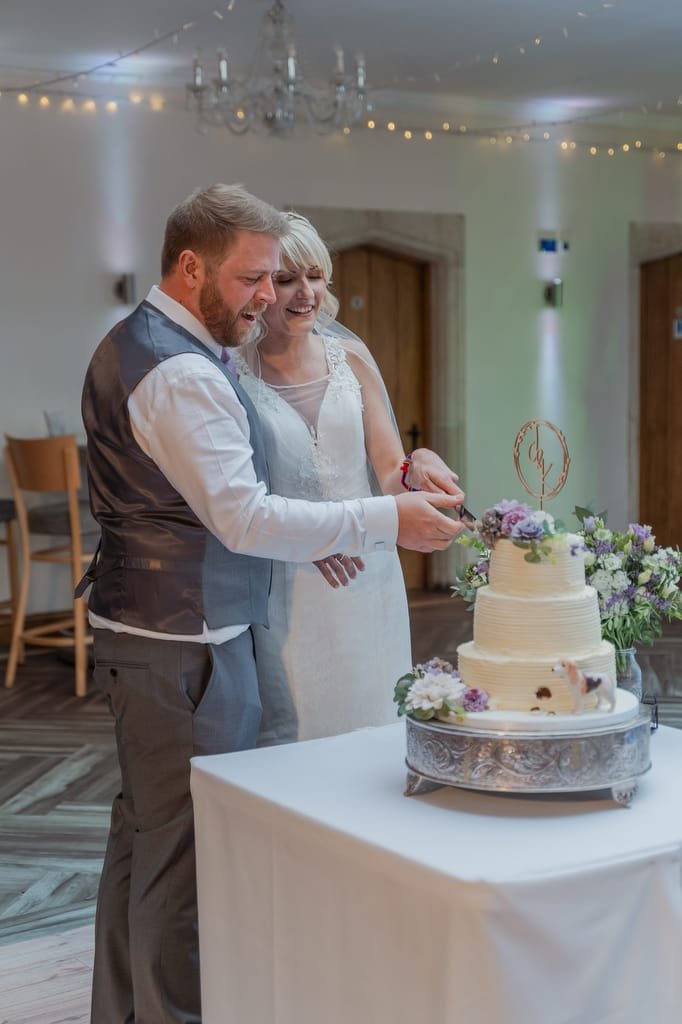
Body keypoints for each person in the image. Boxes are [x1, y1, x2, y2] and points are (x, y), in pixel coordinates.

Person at [79, 183, 466, 1024]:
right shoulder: (201, 369)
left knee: (149, 835)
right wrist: (370, 522)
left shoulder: (175, 347)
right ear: (193, 269)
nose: (279, 297)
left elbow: (381, 460)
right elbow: (245, 513)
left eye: (294, 279)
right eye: (262, 278)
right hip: (220, 617)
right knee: (185, 842)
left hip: (250, 606)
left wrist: (405, 478)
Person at [235, 212, 462, 744]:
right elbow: (244, 492)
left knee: (373, 715)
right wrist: (308, 538)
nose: (303, 292)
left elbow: (390, 471)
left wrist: (420, 459)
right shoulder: (233, 372)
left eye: (314, 276)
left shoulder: (351, 358)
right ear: (261, 288)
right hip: (288, 577)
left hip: (366, 575)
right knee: (297, 723)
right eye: (287, 279)